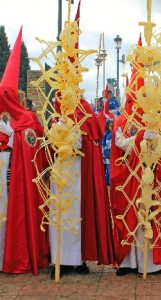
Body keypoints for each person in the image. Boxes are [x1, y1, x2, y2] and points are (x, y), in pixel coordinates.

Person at [110, 34, 161, 276]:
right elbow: (120, 143)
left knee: (156, 214)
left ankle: (157, 260)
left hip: (154, 173)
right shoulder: (123, 118)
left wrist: (156, 138)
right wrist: (141, 137)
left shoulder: (156, 115)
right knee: (131, 214)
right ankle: (129, 261)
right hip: (131, 176)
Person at [0, 27, 49, 274]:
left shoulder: (28, 120)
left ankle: (18, 255)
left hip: (15, 177)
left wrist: (10, 135)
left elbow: (31, 146)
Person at [49, 97, 115, 279]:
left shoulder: (82, 117)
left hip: (76, 172)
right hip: (60, 170)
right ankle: (59, 259)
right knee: (59, 215)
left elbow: (80, 144)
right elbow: (52, 144)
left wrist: (70, 129)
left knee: (77, 214)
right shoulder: (56, 121)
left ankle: (78, 259)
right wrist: (60, 126)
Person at [101, 119, 113, 186]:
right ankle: (110, 181)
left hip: (106, 153)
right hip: (109, 153)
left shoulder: (105, 134)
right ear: (108, 126)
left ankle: (107, 181)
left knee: (108, 168)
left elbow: (103, 143)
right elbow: (109, 144)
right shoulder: (110, 134)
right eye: (111, 126)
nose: (112, 128)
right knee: (110, 168)